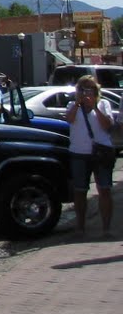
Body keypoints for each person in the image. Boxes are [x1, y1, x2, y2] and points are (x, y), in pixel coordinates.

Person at [64, 75, 116, 236]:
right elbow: (69, 119)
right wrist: (79, 103)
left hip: (100, 152)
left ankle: (106, 228)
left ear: (96, 90)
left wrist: (94, 107)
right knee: (80, 191)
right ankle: (80, 227)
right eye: (83, 88)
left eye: (90, 88)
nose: (87, 92)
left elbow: (107, 125)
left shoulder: (103, 104)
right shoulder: (72, 105)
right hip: (79, 153)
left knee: (104, 190)